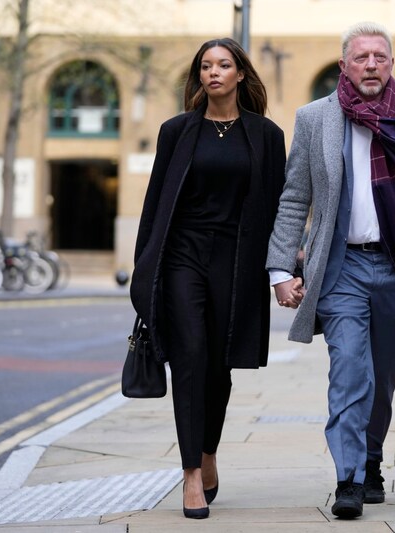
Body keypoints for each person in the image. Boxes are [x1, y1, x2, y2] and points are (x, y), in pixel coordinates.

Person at [266, 21, 395, 519]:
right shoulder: (315, 118)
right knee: (349, 371)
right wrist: (280, 266)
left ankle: (372, 454)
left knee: (383, 376)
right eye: (360, 58)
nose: (370, 66)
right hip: (341, 268)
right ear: (345, 65)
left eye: (380, 57)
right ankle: (349, 478)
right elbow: (295, 196)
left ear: (391, 63)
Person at [129, 37, 286, 520]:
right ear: (199, 76)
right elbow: (155, 204)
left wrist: (285, 269)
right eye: (205, 66)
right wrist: (144, 271)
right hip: (182, 258)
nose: (213, 72)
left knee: (219, 365)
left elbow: (280, 207)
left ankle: (208, 450)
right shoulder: (177, 132)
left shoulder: (265, 135)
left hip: (236, 262)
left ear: (240, 74)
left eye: (223, 65)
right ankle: (190, 474)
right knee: (191, 357)